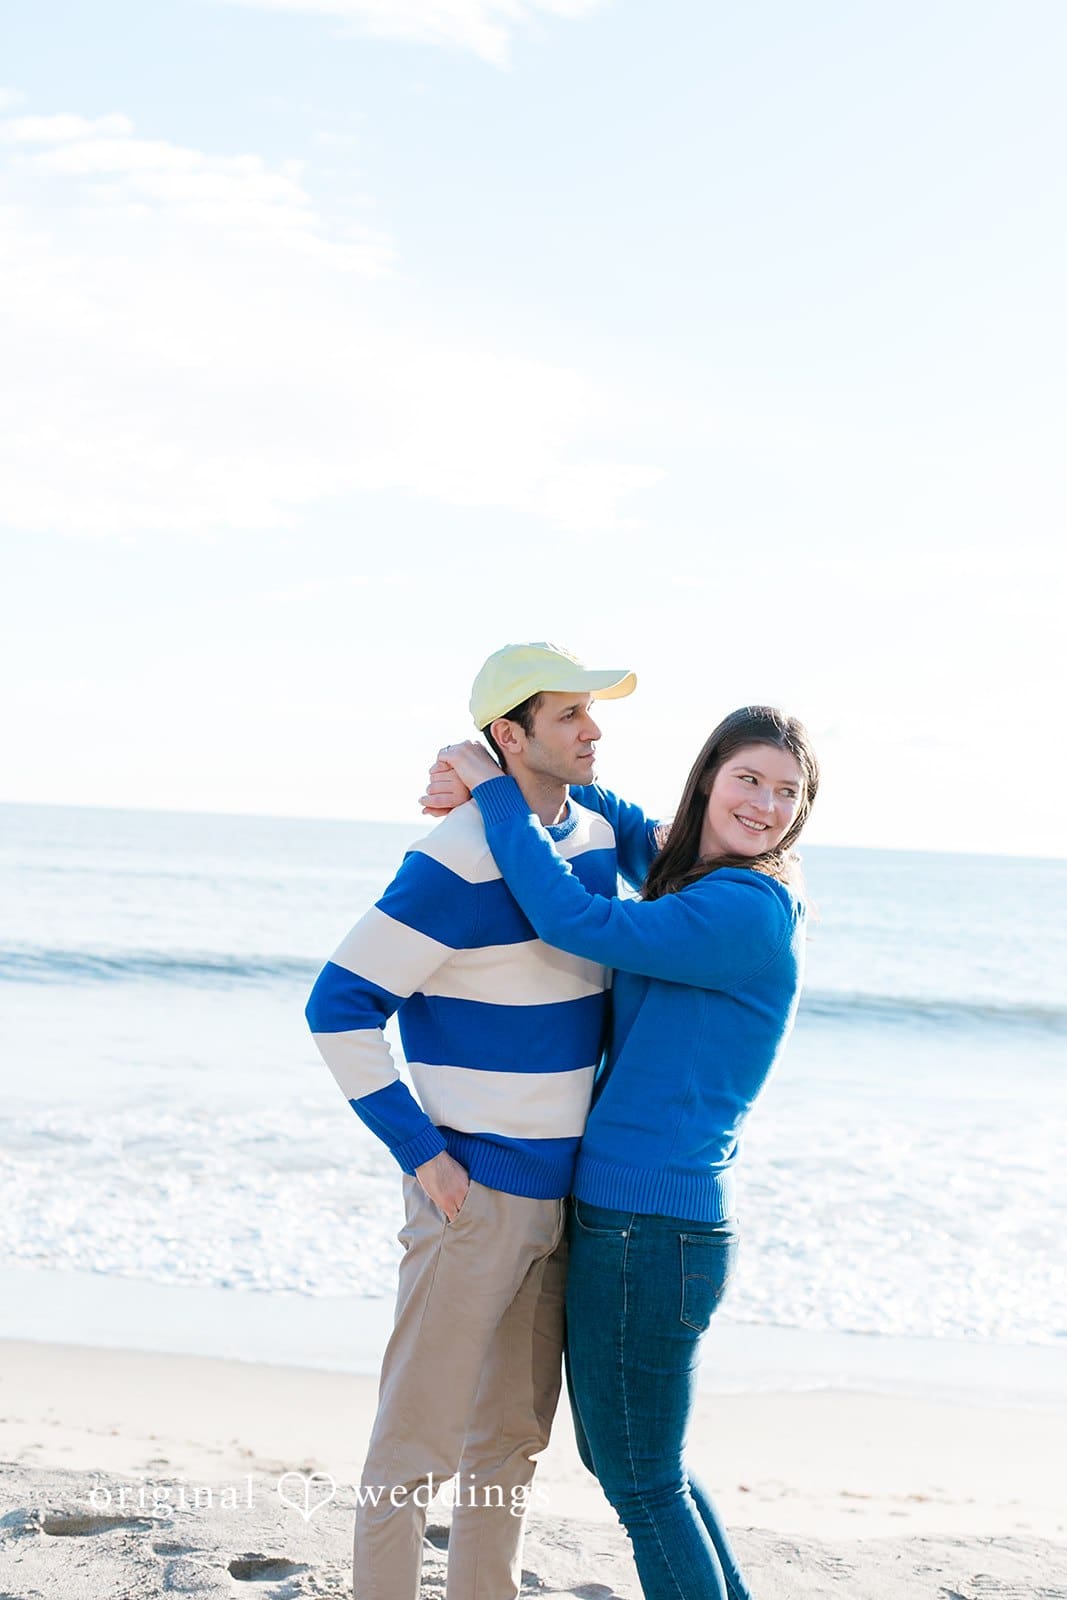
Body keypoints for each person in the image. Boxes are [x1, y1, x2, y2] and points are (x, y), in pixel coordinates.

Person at [431, 706, 819, 1600]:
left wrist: (494, 795)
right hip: (646, 1219)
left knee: (641, 1480)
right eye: (747, 780)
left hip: (656, 1228)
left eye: (786, 794)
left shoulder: (741, 908)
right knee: (646, 1470)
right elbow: (608, 806)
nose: (764, 805)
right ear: (709, 781)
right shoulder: (696, 869)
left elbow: (574, 920)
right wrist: (510, 758)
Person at [304, 641, 637, 1600]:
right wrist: (422, 1155)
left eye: (591, 712)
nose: (594, 729)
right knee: (414, 1447)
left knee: (509, 1445)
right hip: (473, 1199)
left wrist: (475, 769)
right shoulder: (453, 856)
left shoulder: (592, 837)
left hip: (562, 1196)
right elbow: (338, 1005)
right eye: (569, 715)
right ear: (511, 733)